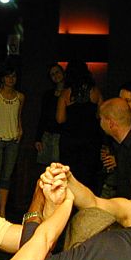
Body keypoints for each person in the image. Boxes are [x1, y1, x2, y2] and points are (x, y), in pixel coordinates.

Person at [56, 61, 103, 194]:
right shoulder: (95, 92)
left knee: (71, 180)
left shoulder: (66, 93)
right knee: (90, 179)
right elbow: (101, 115)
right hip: (91, 141)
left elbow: (60, 119)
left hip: (70, 141)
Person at [0, 67, 24, 217]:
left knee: (7, 177)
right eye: (8, 76)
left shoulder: (20, 97)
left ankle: (2, 210)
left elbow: (18, 116)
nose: (11, 79)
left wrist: (20, 129)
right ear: (2, 78)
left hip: (13, 140)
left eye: (13, 76)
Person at [35, 63, 64, 166]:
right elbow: (43, 116)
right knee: (44, 166)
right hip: (47, 135)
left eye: (57, 72)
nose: (56, 76)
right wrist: (38, 138)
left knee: (58, 166)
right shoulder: (48, 95)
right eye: (52, 74)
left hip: (61, 136)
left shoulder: (69, 93)